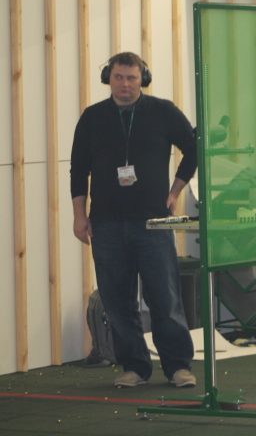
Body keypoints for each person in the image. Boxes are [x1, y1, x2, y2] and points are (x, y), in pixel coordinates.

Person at [70, 52, 198, 387]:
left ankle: (178, 367)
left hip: (153, 222)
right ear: (108, 79)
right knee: (117, 302)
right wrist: (79, 215)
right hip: (106, 224)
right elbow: (78, 169)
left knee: (165, 298)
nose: (125, 84)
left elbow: (194, 149)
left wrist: (176, 191)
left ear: (143, 78)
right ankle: (135, 367)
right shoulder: (92, 117)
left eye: (131, 77)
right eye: (118, 77)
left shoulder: (163, 111)